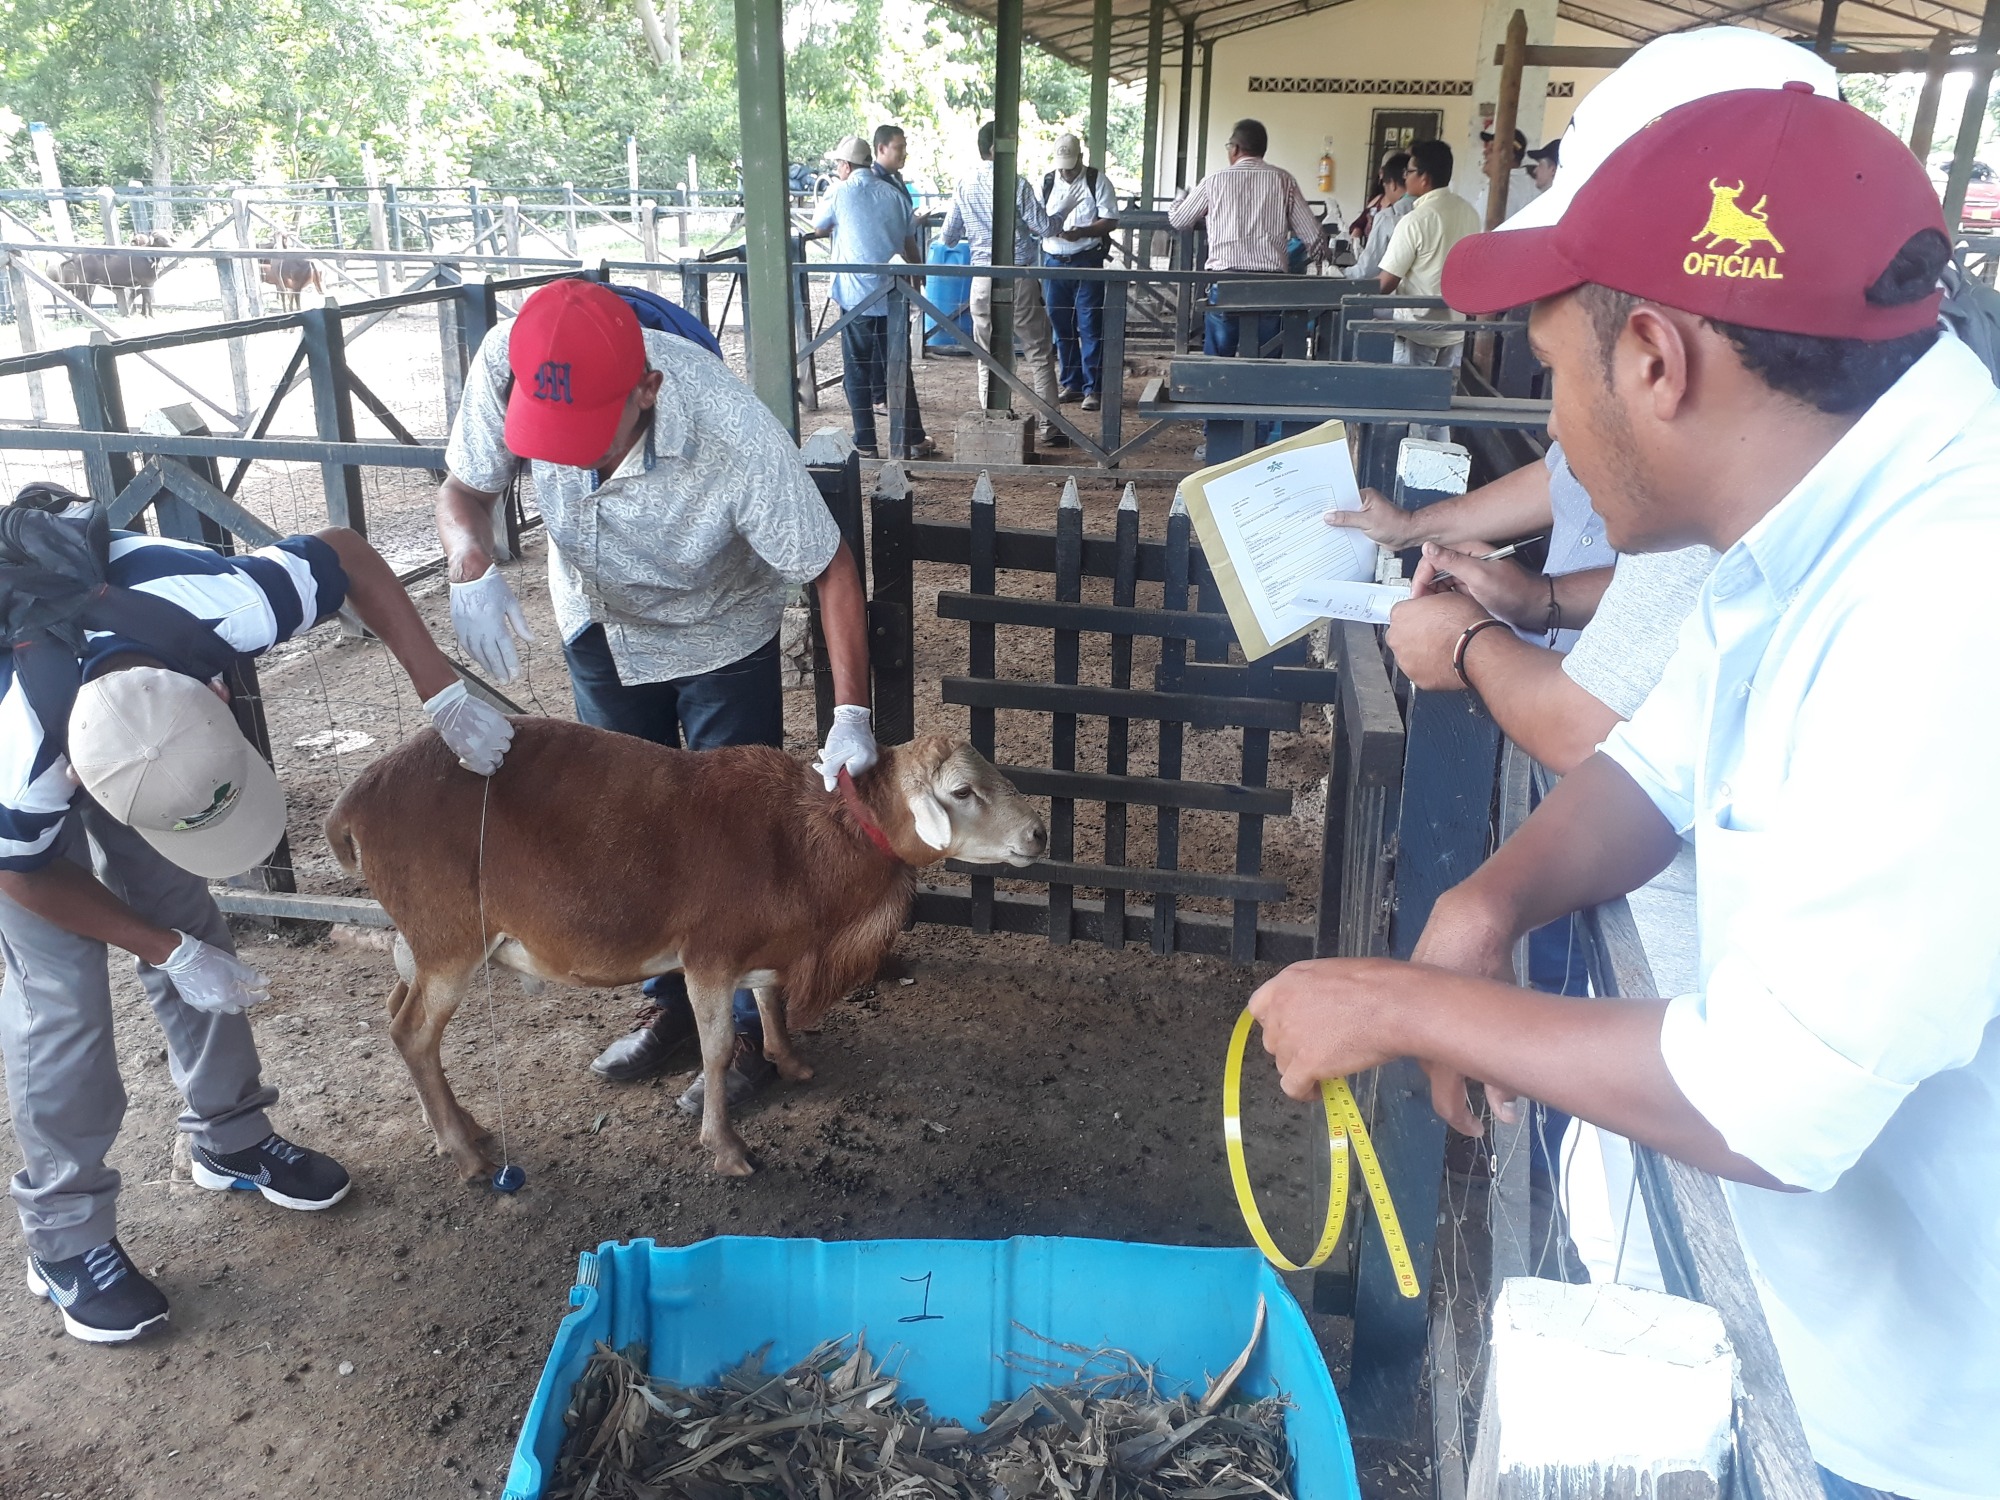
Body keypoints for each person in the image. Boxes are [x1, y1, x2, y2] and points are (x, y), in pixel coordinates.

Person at [1256, 84, 2000, 1500]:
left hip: (1885, 1424)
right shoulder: (1819, 509)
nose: (1552, 425)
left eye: (1551, 373)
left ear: (1654, 358)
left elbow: (1779, 1096)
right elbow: (1661, 763)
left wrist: (1405, 1004)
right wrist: (1490, 900)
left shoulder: (1954, 596)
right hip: (1760, 1307)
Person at [0, 484, 511, 1344]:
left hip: (127, 709)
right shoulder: (22, 757)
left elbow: (346, 552)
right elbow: (20, 874)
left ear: (220, 696)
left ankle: (228, 1134)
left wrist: (443, 696)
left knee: (188, 915)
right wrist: (159, 950)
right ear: (84, 783)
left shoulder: (213, 608)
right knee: (62, 1009)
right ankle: (65, 1236)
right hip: (22, 838)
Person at [433, 277, 877, 1108]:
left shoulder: (732, 431)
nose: (568, 459)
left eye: (588, 435)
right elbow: (465, 492)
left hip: (719, 630)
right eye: (549, 437)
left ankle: (746, 1029)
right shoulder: (506, 360)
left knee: (736, 841)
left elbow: (830, 565)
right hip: (597, 617)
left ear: (648, 390)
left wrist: (850, 714)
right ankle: (669, 1008)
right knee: (628, 828)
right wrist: (469, 560)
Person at [1169, 119, 1330, 453]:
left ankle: (1217, 439)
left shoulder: (1214, 181)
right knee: (1267, 363)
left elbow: (1180, 220)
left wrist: (1181, 200)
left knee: (1219, 362)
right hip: (1270, 286)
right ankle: (1261, 440)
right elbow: (1314, 238)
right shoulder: (1282, 180)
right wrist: (1315, 259)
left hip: (1225, 287)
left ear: (1235, 149)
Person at [812, 124, 936, 460]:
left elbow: (818, 226)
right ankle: (910, 438)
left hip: (855, 297)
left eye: (839, 164)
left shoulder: (840, 192)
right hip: (891, 294)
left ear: (846, 167)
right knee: (898, 368)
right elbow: (907, 235)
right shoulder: (895, 195)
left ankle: (866, 439)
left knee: (857, 367)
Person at [941, 122, 1064, 448]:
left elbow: (948, 236)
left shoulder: (964, 184)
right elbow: (1044, 227)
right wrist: (1061, 217)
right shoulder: (1016, 183)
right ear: (998, 148)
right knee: (1039, 351)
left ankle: (993, 426)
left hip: (981, 279)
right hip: (1019, 276)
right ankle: (1051, 426)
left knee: (987, 355)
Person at [1377, 138, 1481, 440]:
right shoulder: (1470, 214)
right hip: (1454, 331)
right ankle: (1442, 483)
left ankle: (1405, 483)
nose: (1405, 176)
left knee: (1409, 411)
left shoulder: (1416, 220)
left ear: (1424, 177)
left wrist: (1355, 295)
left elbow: (1387, 282)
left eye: (1409, 170)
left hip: (1417, 331)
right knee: (1439, 413)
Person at [1041, 132, 1120, 412]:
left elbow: (1110, 219)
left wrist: (1083, 232)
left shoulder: (1097, 181)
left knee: (1089, 324)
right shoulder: (1047, 182)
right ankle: (1072, 383)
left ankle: (1092, 387)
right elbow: (1036, 219)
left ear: (1081, 159)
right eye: (1062, 165)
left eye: (1071, 165)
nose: (1066, 170)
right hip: (1054, 259)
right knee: (1061, 325)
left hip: (1086, 258)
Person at [1346, 151, 1411, 282]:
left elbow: (1367, 271)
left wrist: (1338, 273)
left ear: (1392, 184)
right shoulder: (1431, 208)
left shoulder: (1388, 217)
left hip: (1395, 292)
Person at [1473, 125, 1540, 223]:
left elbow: (1483, 231)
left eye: (1491, 149)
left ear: (1508, 155)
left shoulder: (1504, 187)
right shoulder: (1529, 184)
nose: (1485, 153)